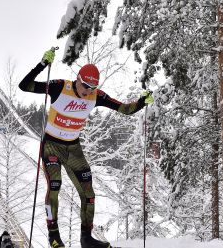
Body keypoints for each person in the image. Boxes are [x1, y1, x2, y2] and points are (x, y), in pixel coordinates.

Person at [18, 49, 153, 248]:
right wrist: (42, 65)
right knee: (55, 184)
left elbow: (124, 109)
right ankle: (53, 236)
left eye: (93, 87)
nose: (88, 91)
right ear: (78, 79)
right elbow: (25, 86)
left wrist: (142, 102)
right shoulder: (60, 87)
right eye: (86, 86)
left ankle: (86, 238)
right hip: (52, 146)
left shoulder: (95, 96)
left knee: (88, 194)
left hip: (73, 148)